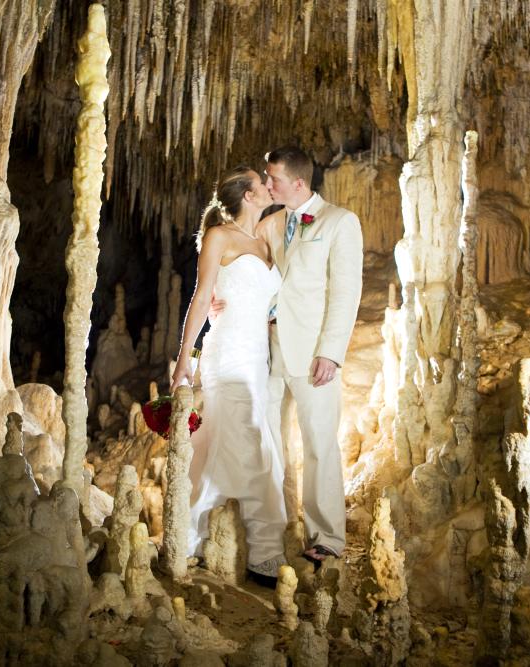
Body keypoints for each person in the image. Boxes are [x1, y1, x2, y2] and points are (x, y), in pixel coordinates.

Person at [171, 166, 288, 578]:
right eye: (262, 183)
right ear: (248, 196)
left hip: (258, 356)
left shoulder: (265, 239)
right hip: (228, 351)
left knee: (230, 441)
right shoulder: (220, 236)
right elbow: (202, 297)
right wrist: (185, 357)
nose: (269, 187)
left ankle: (195, 535)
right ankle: (263, 553)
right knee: (246, 441)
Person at [259, 146, 363, 565]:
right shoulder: (272, 223)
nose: (267, 185)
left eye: (274, 180)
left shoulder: (339, 222)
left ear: (298, 183)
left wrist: (331, 352)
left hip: (312, 351)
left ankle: (327, 537)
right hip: (268, 349)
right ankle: (273, 526)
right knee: (269, 438)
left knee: (318, 441)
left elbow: (345, 292)